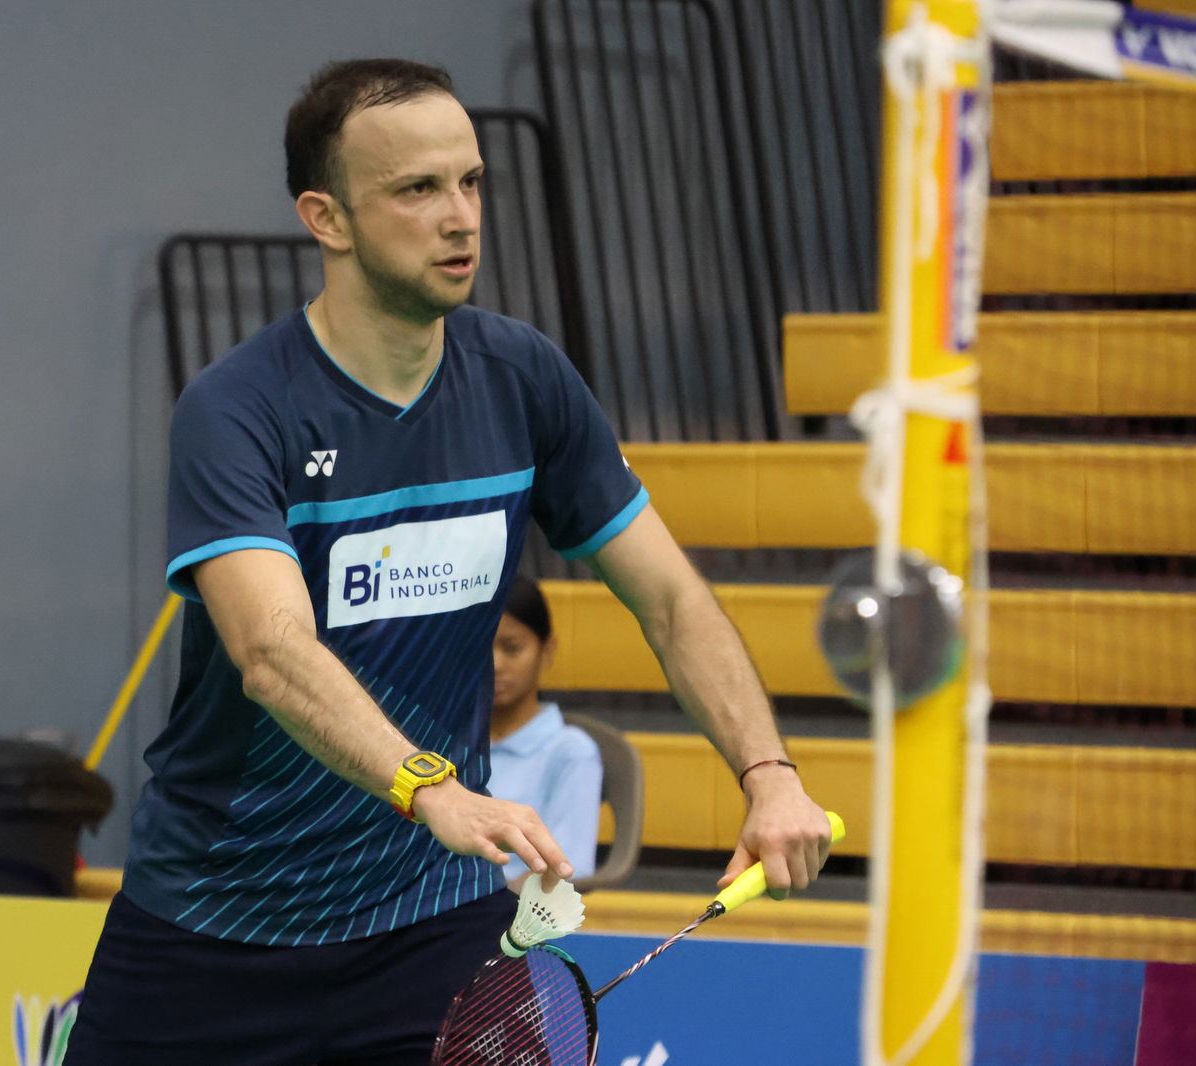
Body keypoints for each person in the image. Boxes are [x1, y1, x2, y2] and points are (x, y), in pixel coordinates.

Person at [66, 58, 832, 1066]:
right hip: (212, 925)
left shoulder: (521, 378)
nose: (460, 216)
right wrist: (429, 784)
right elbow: (270, 648)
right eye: (417, 189)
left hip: (429, 927)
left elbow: (671, 600)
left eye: (471, 182)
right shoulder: (240, 408)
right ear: (326, 217)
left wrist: (767, 772)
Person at [488, 576, 601, 890]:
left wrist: (474, 911)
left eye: (512, 648)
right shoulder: (446, 744)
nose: (495, 664)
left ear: (546, 650)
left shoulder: (571, 751)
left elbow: (565, 869)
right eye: (482, 647)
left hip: (512, 925)